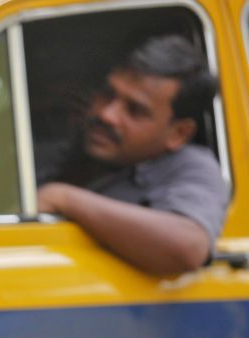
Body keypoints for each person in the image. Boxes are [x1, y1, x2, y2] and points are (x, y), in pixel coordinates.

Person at [36, 35, 228, 276]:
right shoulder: (59, 151)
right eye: (108, 94)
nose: (107, 114)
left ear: (178, 133)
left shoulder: (191, 167)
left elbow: (188, 247)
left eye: (135, 110)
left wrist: (64, 198)